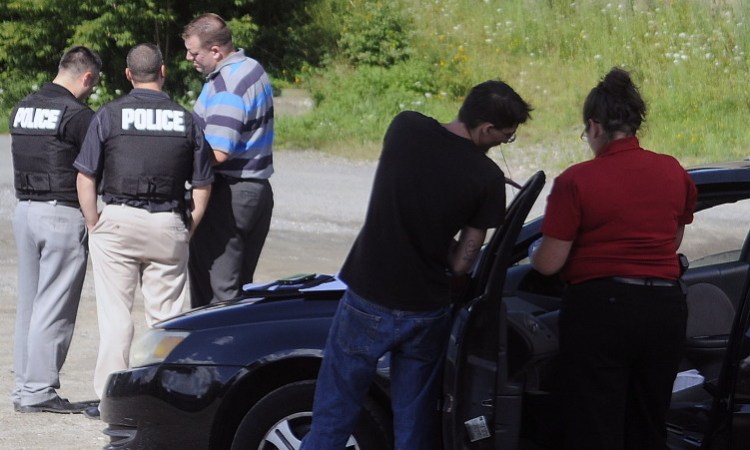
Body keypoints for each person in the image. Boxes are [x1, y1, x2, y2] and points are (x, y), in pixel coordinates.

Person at [301, 80, 533, 449]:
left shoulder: (405, 125)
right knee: (413, 425)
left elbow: (416, 184)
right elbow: (461, 264)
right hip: (426, 312)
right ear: (487, 129)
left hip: (368, 297)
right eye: (506, 137)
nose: (502, 144)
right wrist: (483, 185)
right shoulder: (488, 180)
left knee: (333, 414)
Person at [530, 67, 698, 449]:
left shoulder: (577, 180)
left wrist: (534, 249)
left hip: (601, 312)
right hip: (665, 309)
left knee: (596, 423)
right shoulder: (672, 170)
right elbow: (671, 242)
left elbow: (549, 264)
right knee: (649, 420)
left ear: (594, 127)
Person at [74, 43, 214, 417]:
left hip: (117, 220)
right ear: (163, 72)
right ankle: (161, 399)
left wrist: (94, 222)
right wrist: (188, 227)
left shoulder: (108, 115)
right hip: (168, 222)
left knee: (116, 316)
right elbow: (202, 184)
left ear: (128, 74)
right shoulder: (187, 120)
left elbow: (86, 175)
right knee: (166, 318)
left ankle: (111, 401)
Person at [10, 46, 102, 414]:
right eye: (93, 86)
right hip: (61, 214)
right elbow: (97, 166)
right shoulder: (77, 114)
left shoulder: (22, 107)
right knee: (55, 307)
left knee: (29, 306)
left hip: (24, 212)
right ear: (87, 77)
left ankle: (24, 388)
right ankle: (38, 391)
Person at [181, 13, 275, 307]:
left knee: (217, 294)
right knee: (238, 290)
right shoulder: (252, 67)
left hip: (229, 195)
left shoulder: (227, 85)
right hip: (255, 192)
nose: (188, 58)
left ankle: (215, 350)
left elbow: (218, 152)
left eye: (194, 52)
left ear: (216, 51)